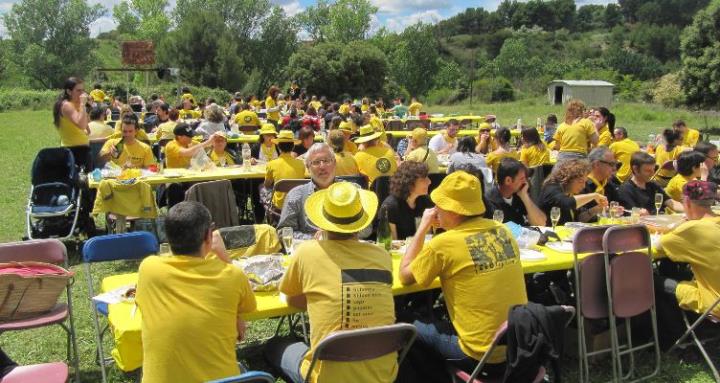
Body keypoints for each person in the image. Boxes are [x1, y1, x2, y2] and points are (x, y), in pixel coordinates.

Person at [398, 171, 528, 381]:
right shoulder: (502, 230)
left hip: (479, 356)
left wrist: (422, 226)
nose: (436, 209)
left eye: (440, 205)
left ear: (454, 211)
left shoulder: (444, 244)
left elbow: (404, 276)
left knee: (404, 320)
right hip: (518, 346)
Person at [266, 181, 395, 383]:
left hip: (327, 377)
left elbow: (292, 300)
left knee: (276, 345)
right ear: (361, 222)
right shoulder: (382, 256)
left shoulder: (307, 252)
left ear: (321, 222)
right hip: (383, 374)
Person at [136, 201, 256, 383]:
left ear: (167, 236)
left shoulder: (148, 269)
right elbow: (249, 306)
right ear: (209, 235)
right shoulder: (232, 275)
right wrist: (225, 257)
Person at [654, 180, 720, 348]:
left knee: (653, 281)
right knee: (678, 273)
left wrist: (680, 225)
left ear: (687, 202)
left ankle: (675, 341)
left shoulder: (691, 229)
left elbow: (657, 246)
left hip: (714, 302)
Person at [539, 159, 608, 226]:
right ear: (568, 178)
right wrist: (594, 196)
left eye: (585, 182)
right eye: (580, 182)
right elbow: (567, 203)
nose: (584, 186)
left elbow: (578, 219)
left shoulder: (570, 192)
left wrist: (596, 209)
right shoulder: (551, 188)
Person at [618, 152, 684, 215]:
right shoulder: (626, 190)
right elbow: (631, 214)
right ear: (635, 169)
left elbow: (670, 202)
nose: (652, 174)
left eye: (654, 170)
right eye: (648, 171)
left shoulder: (653, 185)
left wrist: (688, 210)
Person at [380, 161, 433, 240]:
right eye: (423, 179)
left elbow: (429, 236)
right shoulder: (391, 206)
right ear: (409, 183)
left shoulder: (425, 201)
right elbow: (391, 243)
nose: (429, 182)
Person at [487, 158, 546, 226]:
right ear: (508, 181)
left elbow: (541, 223)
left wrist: (525, 197)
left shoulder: (520, 195)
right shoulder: (489, 202)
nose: (525, 182)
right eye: (522, 179)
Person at [53, 77, 91, 170]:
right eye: (78, 91)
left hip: (82, 149)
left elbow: (86, 124)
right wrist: (82, 104)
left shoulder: (75, 104)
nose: (82, 94)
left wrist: (86, 106)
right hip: (73, 151)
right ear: (69, 92)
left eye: (83, 90)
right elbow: (81, 125)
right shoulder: (66, 105)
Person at [265, 130, 306, 209]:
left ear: (278, 146)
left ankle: (261, 216)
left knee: (261, 188)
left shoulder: (271, 164)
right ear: (293, 146)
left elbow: (267, 184)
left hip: (279, 206)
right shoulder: (301, 164)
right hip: (297, 204)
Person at [580, 147, 621, 221]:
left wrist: (617, 212)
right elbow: (577, 218)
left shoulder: (610, 186)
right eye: (611, 164)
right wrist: (595, 210)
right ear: (597, 164)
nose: (614, 168)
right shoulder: (580, 185)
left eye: (615, 164)